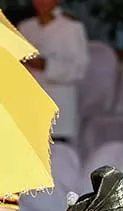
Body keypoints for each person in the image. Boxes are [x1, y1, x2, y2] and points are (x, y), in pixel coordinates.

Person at [16, 0, 89, 143]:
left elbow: (79, 69)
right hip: (29, 109)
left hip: (59, 110)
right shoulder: (26, 27)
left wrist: (46, 65)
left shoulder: (71, 27)